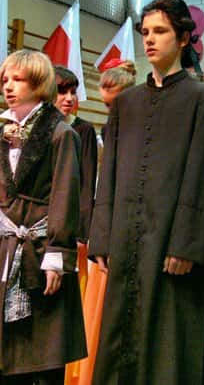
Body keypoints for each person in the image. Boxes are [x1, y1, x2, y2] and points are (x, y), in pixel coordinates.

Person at [88, 0, 204, 385]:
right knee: (120, 344)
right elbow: (109, 173)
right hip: (127, 243)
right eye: (146, 32)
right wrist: (102, 237)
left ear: (183, 38)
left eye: (160, 31)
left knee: (170, 349)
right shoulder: (126, 103)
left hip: (173, 246)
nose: (149, 39)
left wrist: (186, 244)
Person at [0, 49, 86, 384]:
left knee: (43, 356)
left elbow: (65, 196)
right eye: (5, 80)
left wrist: (57, 255)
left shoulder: (61, 134)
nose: (8, 86)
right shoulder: (0, 134)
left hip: (41, 251)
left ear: (39, 84)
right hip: (6, 249)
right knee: (4, 357)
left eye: (18, 79)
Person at [75, 59, 136, 385]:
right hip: (107, 227)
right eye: (107, 106)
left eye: (114, 105)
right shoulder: (108, 130)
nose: (111, 112)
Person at [54, 67, 97, 247]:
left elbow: (87, 182)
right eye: (62, 92)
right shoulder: (36, 129)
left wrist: (82, 231)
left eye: (73, 92)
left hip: (68, 222)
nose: (69, 98)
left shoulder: (84, 130)